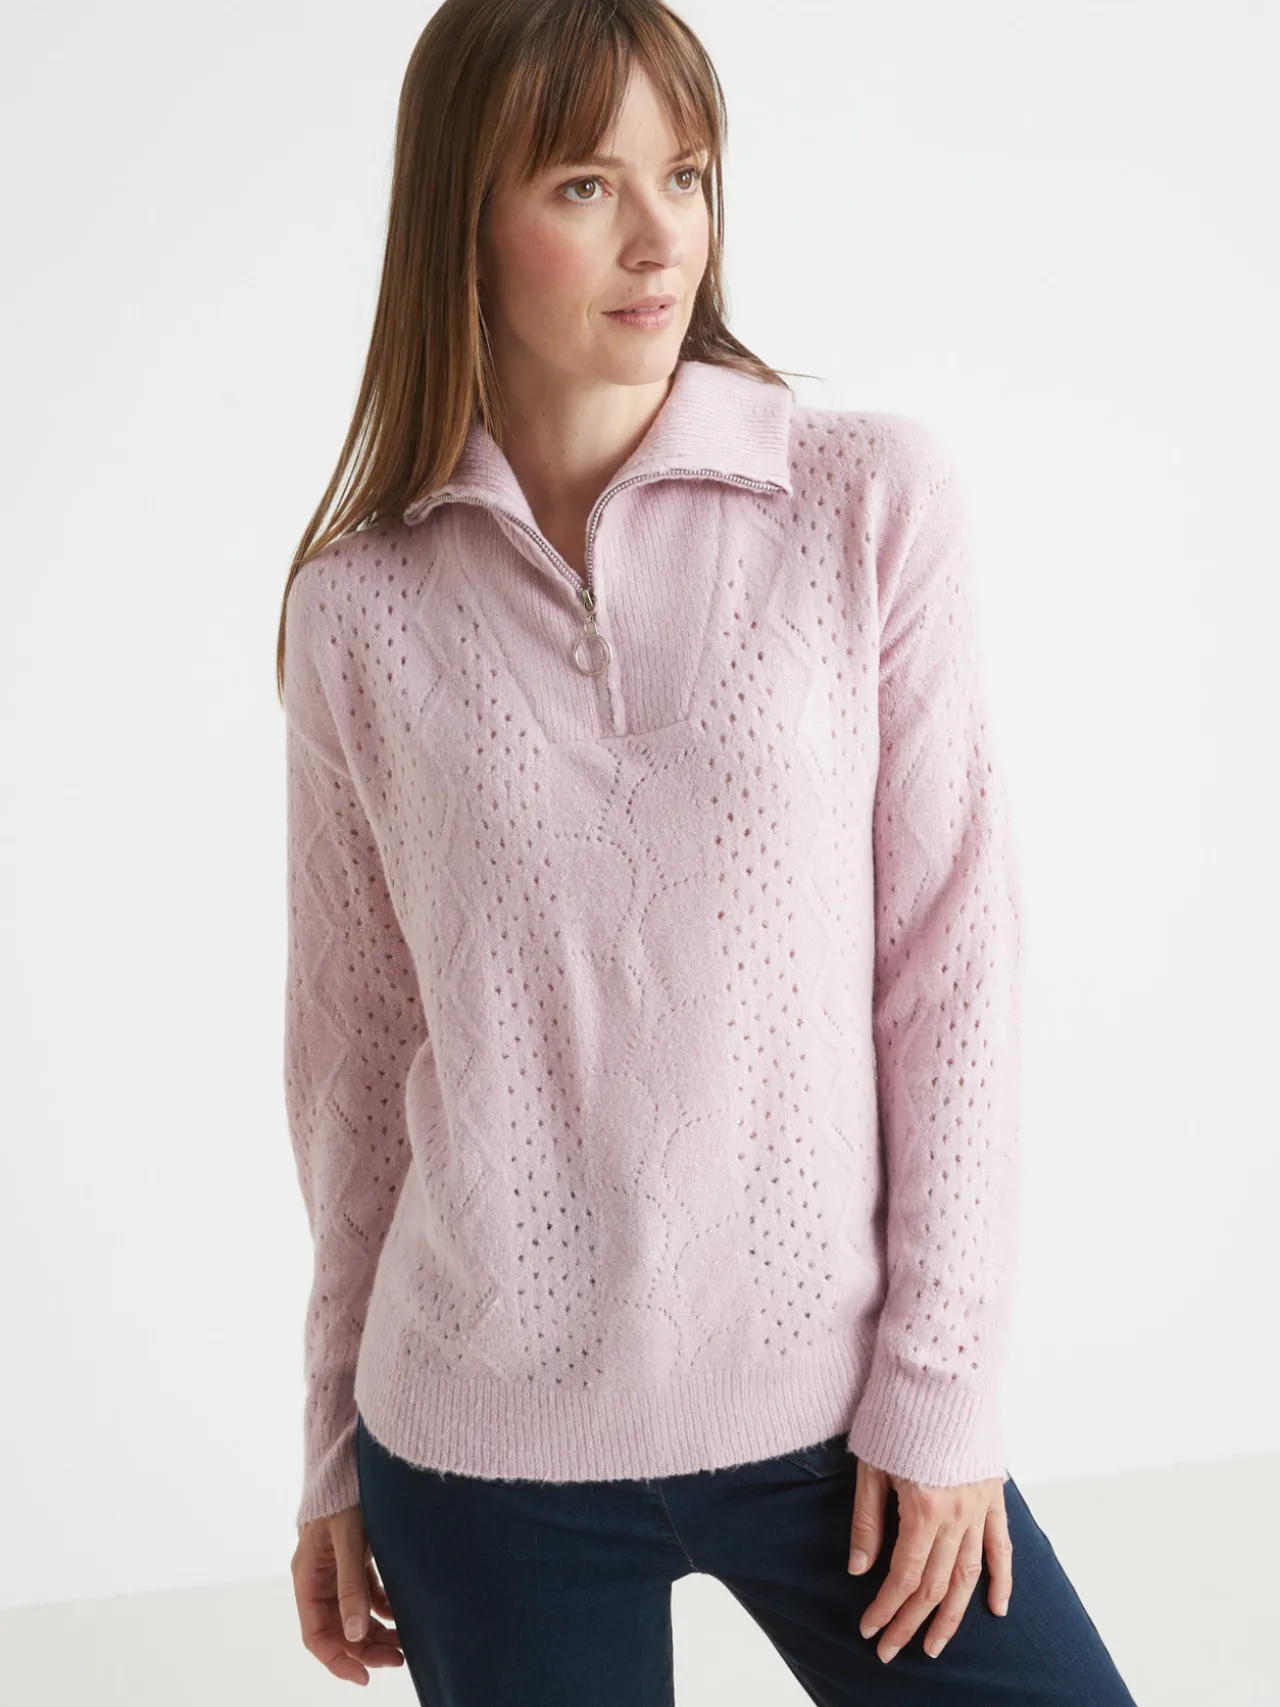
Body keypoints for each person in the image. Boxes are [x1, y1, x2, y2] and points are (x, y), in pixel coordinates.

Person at [277, 2, 1138, 1702]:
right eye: (585, 185)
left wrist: (942, 1389)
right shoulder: (357, 609)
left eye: (685, 173)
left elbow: (953, 968)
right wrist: (327, 1445)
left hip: (836, 1418)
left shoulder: (867, 500)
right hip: (482, 1447)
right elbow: (354, 1055)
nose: (664, 235)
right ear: (463, 217)